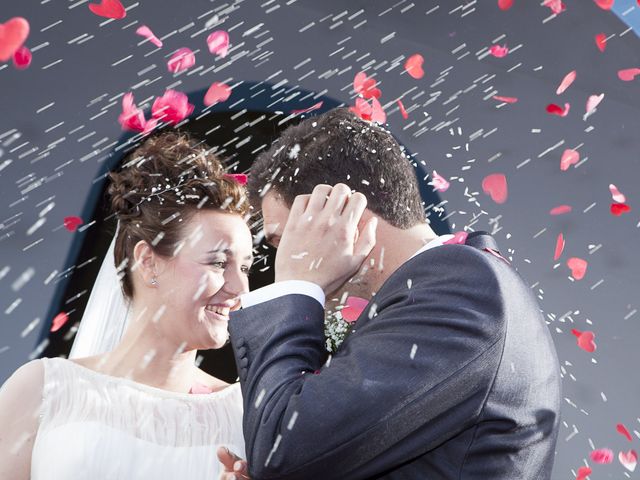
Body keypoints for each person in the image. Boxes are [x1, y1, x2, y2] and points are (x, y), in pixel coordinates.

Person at [225, 107, 562, 479]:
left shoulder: (463, 289)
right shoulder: (439, 292)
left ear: (346, 212)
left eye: (281, 239)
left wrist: (295, 289)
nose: (281, 257)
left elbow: (281, 450)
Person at [0, 132, 253, 479]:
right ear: (148, 262)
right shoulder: (42, 391)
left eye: (245, 267)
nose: (239, 288)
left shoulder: (245, 414)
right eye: (217, 262)